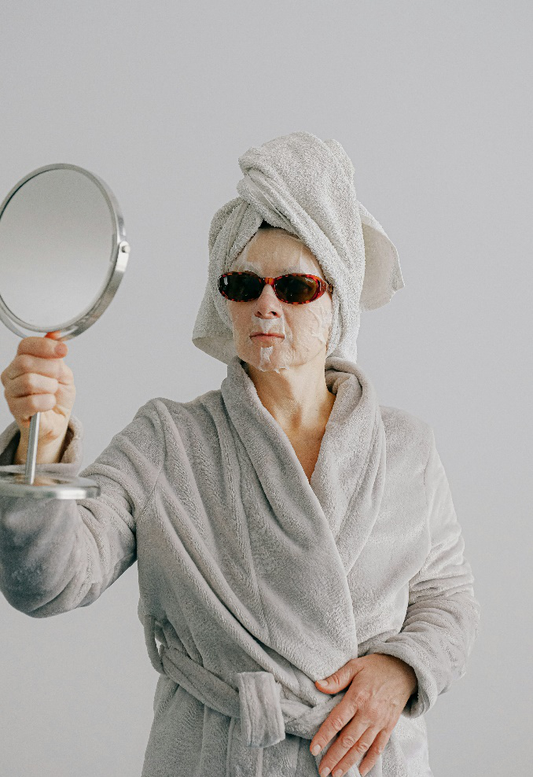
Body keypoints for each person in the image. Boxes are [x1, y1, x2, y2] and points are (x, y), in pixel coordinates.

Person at [0, 131, 480, 777]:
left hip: (370, 761)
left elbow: (447, 598)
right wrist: (41, 442)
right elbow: (50, 581)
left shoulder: (405, 448)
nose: (265, 306)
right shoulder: (167, 440)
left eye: (295, 287)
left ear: (335, 294)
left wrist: (400, 670)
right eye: (243, 282)